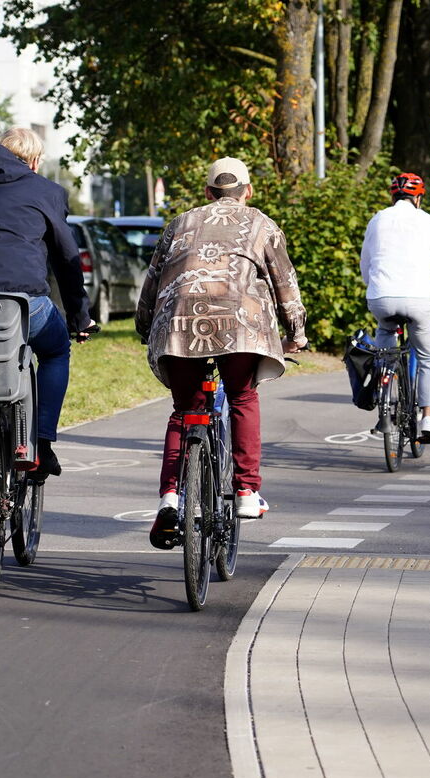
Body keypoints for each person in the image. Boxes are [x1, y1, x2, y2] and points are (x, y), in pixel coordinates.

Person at [0, 127, 96, 553]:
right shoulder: (46, 191)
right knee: (56, 348)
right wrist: (80, 315)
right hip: (23, 306)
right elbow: (66, 258)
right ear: (32, 161)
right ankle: (40, 441)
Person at [136, 157, 307, 548]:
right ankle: (246, 492)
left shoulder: (179, 224)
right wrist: (296, 333)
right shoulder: (261, 223)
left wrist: (146, 327)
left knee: (185, 411)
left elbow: (152, 282)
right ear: (248, 191)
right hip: (241, 327)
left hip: (178, 327)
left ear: (208, 193)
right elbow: (285, 284)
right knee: (242, 396)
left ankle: (170, 498)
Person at [359, 172, 430, 445]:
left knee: (384, 346)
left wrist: (376, 289)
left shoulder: (378, 219)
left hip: (381, 298)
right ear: (418, 198)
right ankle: (428, 418)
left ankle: (383, 395)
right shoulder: (428, 222)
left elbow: (366, 265)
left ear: (392, 196)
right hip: (420, 302)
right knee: (429, 358)